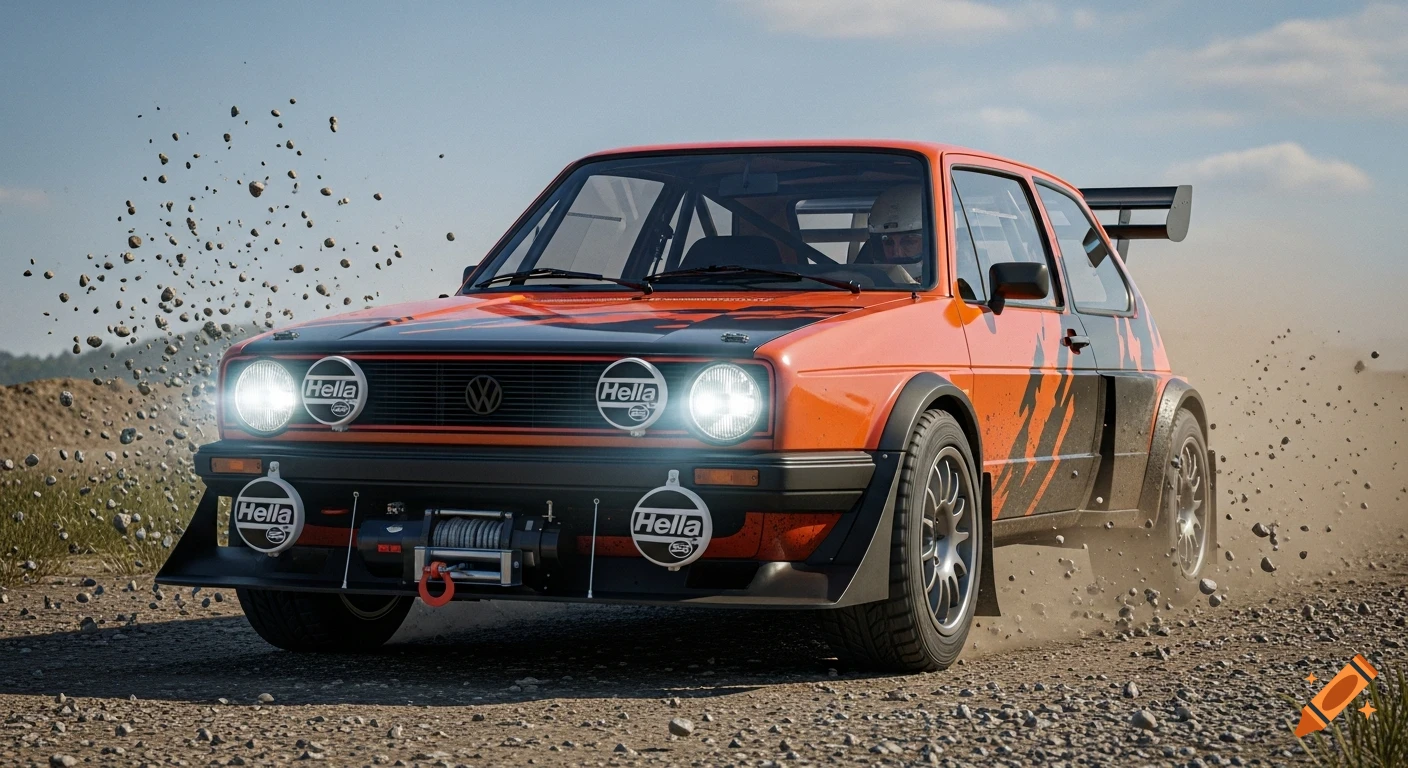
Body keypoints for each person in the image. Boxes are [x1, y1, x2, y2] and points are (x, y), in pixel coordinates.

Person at [863, 184, 924, 283]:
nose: (896, 253)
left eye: (909, 242)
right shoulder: (866, 287)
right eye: (888, 242)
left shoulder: (944, 284)